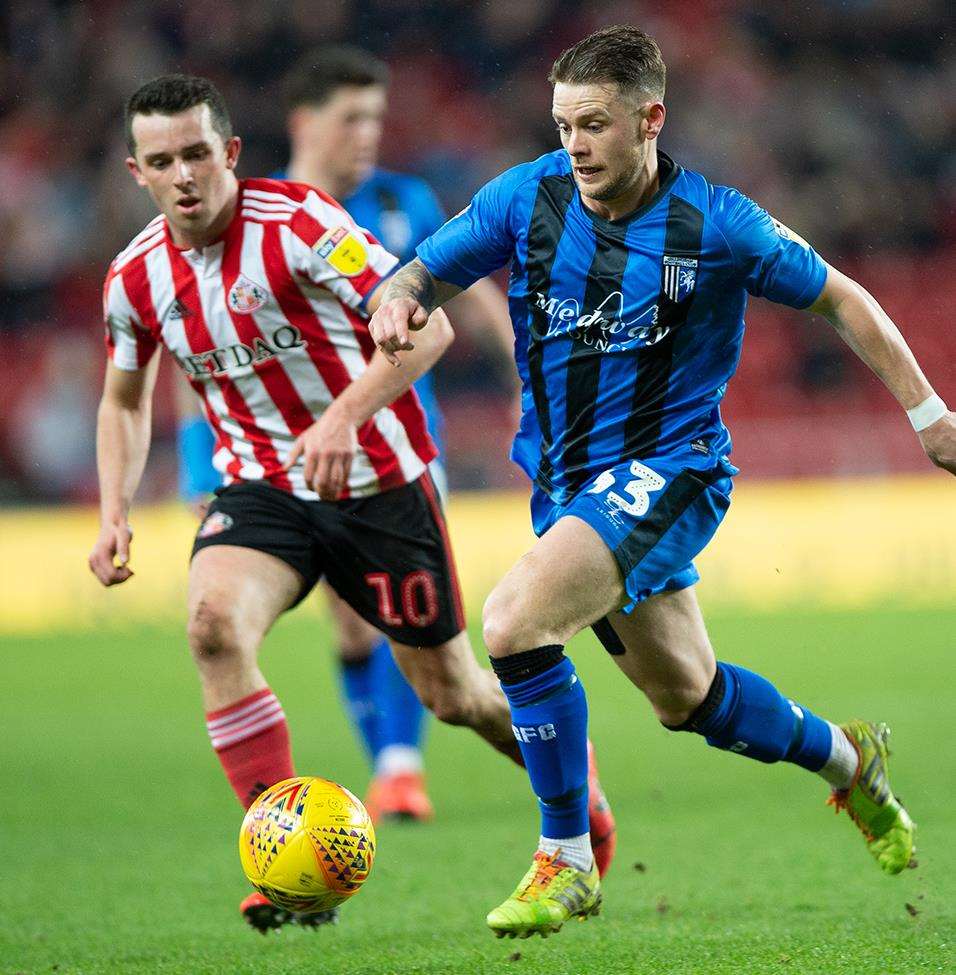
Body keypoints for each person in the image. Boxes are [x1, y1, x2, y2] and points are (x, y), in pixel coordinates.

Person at [370, 25, 956, 939]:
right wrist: (396, 298)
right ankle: (852, 763)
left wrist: (929, 415)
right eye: (564, 125)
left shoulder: (719, 224)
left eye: (595, 125)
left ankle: (565, 858)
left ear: (650, 119)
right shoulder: (525, 199)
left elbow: (845, 296)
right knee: (691, 699)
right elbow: (419, 272)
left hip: (670, 471)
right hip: (566, 484)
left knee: (515, 622)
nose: (575, 145)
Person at [87, 74, 616, 934]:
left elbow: (429, 326)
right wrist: (116, 509)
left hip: (378, 481)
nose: (182, 175)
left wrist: (342, 415)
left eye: (195, 154)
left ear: (229, 154)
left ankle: (575, 792)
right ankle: (279, 859)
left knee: (453, 693)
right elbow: (122, 398)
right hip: (261, 486)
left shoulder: (304, 227)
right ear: (135, 171)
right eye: (160, 161)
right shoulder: (134, 277)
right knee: (213, 627)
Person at [176, 46, 516, 824]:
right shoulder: (254, 214)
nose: (369, 134)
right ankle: (396, 766)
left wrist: (518, 381)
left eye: (377, 117)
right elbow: (197, 346)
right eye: (351, 118)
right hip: (288, 461)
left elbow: (468, 294)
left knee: (398, 629)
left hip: (400, 447)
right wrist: (200, 458)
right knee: (352, 623)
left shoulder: (405, 201)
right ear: (305, 121)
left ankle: (400, 766)